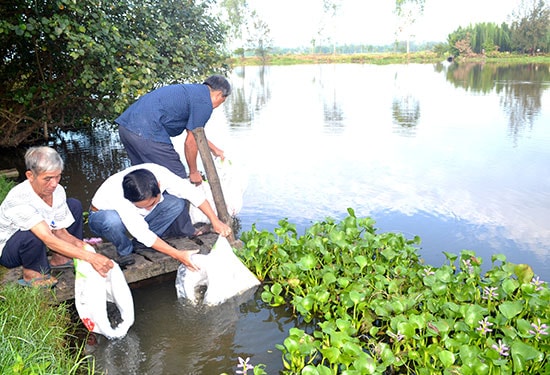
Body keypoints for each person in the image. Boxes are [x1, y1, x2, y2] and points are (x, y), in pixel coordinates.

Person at [116, 74, 232, 237]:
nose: (219, 105)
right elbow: (190, 142)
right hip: (147, 132)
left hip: (127, 128)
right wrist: (193, 171)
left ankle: (154, 227)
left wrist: (213, 149)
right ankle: (184, 232)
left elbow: (194, 130)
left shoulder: (194, 93)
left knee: (147, 179)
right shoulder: (205, 103)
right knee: (176, 178)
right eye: (223, 101)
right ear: (220, 95)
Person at [0, 146, 114, 288]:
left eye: (57, 176)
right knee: (31, 235)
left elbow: (59, 231)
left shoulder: (57, 190)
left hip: (43, 233)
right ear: (30, 176)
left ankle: (61, 258)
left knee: (73, 205)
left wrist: (82, 246)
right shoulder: (18, 199)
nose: (54, 183)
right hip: (10, 250)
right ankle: (32, 274)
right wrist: (91, 258)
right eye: (47, 178)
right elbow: (48, 238)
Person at [87, 163, 232, 269]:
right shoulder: (120, 198)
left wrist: (215, 221)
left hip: (134, 215)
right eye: (144, 206)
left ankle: (141, 245)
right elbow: (142, 232)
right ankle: (125, 250)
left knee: (176, 203)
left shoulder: (160, 173)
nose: (150, 208)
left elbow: (192, 193)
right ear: (131, 200)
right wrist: (178, 254)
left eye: (153, 202)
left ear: (158, 185)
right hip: (101, 216)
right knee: (112, 221)